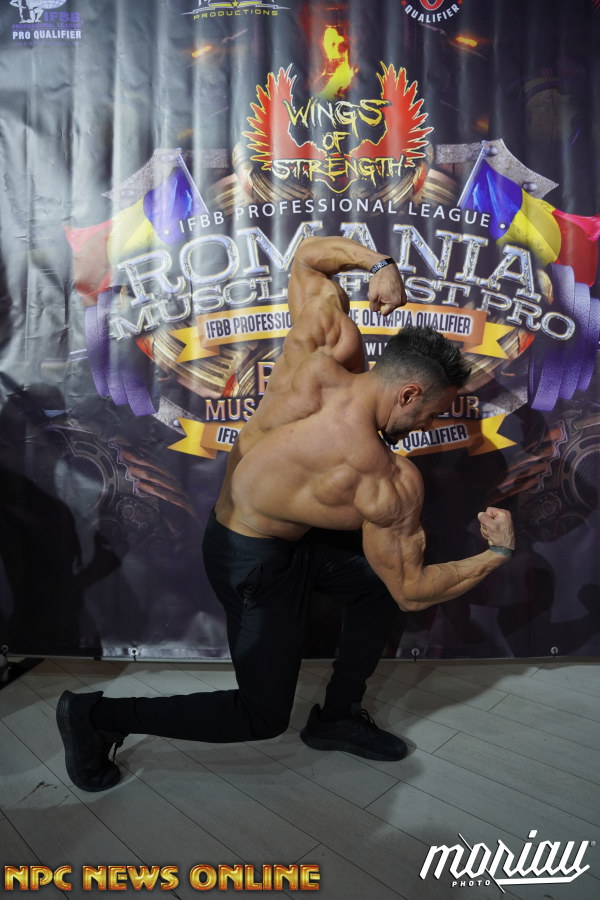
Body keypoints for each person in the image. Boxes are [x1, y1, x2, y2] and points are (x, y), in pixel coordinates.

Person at [56, 236, 514, 791]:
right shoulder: (386, 479)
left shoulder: (321, 348)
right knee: (261, 715)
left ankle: (338, 716)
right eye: (431, 412)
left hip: (278, 540)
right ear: (408, 393)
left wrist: (381, 265)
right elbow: (413, 593)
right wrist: (497, 553)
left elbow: (309, 258)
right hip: (250, 563)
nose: (426, 425)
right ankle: (95, 717)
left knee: (374, 581)